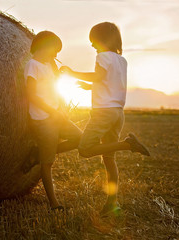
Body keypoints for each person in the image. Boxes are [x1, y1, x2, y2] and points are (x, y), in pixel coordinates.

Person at [60, 22, 150, 216]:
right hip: (118, 113)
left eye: (93, 41)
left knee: (84, 149)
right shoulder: (121, 60)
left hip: (103, 112)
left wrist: (71, 73)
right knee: (109, 160)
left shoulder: (102, 56)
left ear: (102, 40)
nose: (92, 46)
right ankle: (112, 203)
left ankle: (127, 145)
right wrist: (89, 87)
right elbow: (110, 82)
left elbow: (99, 76)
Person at [24, 31, 82, 211]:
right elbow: (31, 95)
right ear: (44, 46)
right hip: (43, 119)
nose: (56, 55)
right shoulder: (32, 65)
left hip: (57, 116)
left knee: (81, 139)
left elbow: (56, 90)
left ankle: (39, 153)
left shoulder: (48, 66)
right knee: (47, 163)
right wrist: (51, 112)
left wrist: (61, 110)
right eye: (55, 50)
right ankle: (54, 203)